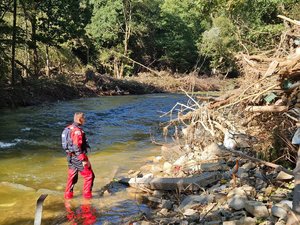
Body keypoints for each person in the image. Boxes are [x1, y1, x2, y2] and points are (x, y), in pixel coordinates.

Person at [64, 112, 95, 199]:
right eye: (84, 118)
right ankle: (87, 199)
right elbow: (76, 146)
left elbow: (68, 145)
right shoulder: (77, 131)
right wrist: (83, 160)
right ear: (80, 119)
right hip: (78, 157)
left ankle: (68, 197)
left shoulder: (68, 128)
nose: (85, 120)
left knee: (72, 177)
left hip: (70, 156)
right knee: (89, 176)